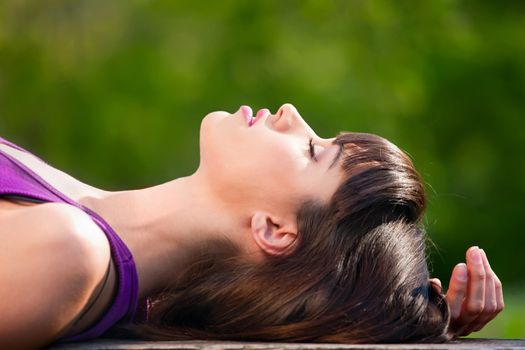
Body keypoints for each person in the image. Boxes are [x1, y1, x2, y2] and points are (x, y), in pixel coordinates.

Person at [0, 104, 503, 348]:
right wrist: (411, 314)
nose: (292, 114)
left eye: (312, 151)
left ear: (275, 230)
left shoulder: (68, 255)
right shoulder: (86, 227)